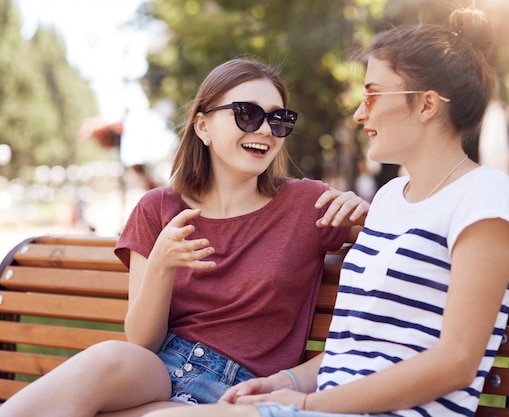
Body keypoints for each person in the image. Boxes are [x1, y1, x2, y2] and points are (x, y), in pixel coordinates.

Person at [143, 6, 509, 417]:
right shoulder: (392, 198)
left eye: (373, 94)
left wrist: (306, 402)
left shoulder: (484, 195)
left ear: (427, 105)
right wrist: (283, 383)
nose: (361, 112)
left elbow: (455, 364)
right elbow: (357, 347)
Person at [0, 57, 369, 417]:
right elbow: (143, 341)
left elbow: (401, 241)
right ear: (203, 126)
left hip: (240, 393)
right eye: (247, 114)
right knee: (106, 357)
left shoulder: (309, 204)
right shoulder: (158, 207)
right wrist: (161, 263)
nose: (264, 130)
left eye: (278, 119)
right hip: (158, 370)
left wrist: (368, 213)